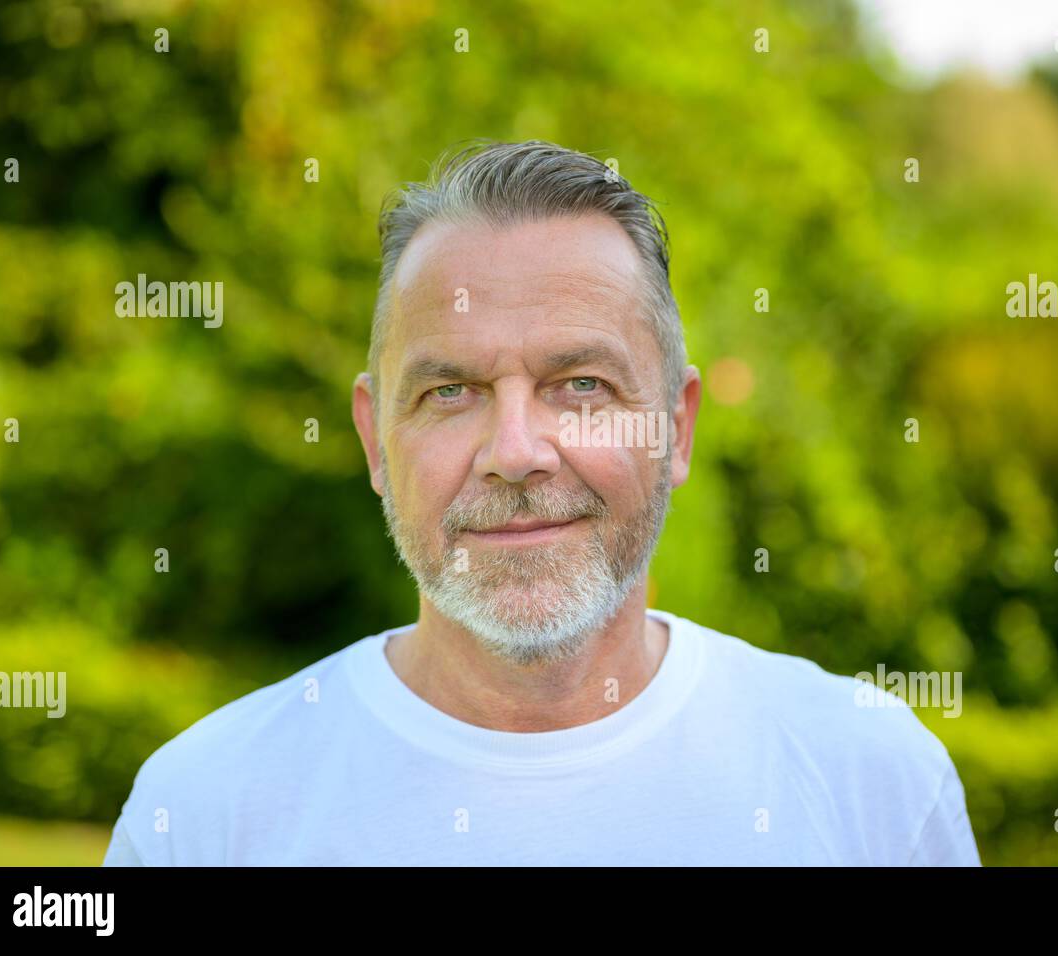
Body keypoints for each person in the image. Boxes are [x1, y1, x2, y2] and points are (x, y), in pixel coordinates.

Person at [102, 139, 981, 866]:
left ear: (676, 428)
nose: (516, 453)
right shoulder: (206, 815)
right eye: (450, 392)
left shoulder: (874, 786)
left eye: (583, 384)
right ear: (374, 440)